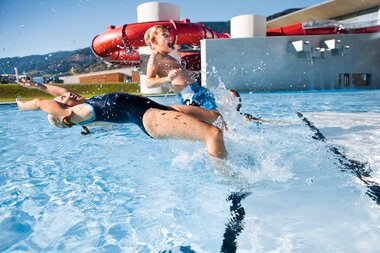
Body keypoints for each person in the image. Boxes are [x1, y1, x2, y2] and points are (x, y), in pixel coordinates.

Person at [15, 79, 227, 159]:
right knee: (212, 134)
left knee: (216, 117)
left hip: (159, 108)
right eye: (63, 100)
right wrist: (23, 105)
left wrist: (36, 85)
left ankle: (234, 146)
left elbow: (58, 90)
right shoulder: (79, 115)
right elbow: (40, 103)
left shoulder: (82, 104)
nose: (67, 94)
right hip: (150, 118)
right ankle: (228, 180)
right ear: (63, 115)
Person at [144, 25, 217, 110]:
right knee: (216, 116)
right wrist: (168, 78)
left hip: (197, 91)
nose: (170, 38)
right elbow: (148, 83)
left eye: (169, 35)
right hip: (190, 95)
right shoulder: (156, 56)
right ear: (154, 41)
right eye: (165, 35)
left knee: (219, 115)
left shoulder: (168, 57)